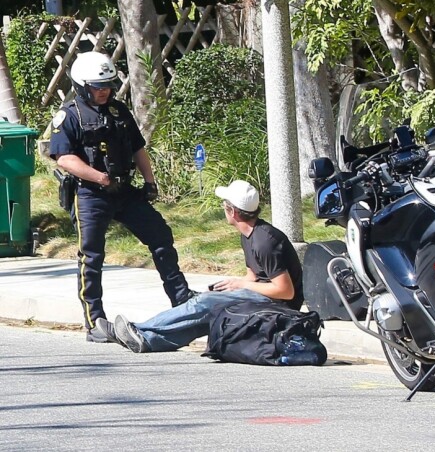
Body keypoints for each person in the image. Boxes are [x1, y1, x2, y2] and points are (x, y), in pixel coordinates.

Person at [49, 51, 192, 343]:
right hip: (91, 194)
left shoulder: (119, 111)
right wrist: (98, 177)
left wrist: (150, 182)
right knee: (91, 256)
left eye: (108, 86)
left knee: (160, 236)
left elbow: (138, 148)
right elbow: (63, 158)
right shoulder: (70, 115)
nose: (104, 92)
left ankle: (182, 298)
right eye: (98, 87)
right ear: (81, 86)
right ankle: (94, 321)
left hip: (124, 191)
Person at [95, 179, 304, 353]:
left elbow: (285, 291)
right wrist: (231, 286)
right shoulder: (249, 234)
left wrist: (242, 286)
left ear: (233, 211)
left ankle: (138, 330)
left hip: (280, 304)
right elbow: (254, 276)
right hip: (264, 295)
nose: (224, 208)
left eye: (225, 205)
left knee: (203, 304)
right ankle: (147, 340)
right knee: (209, 309)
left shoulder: (264, 241)